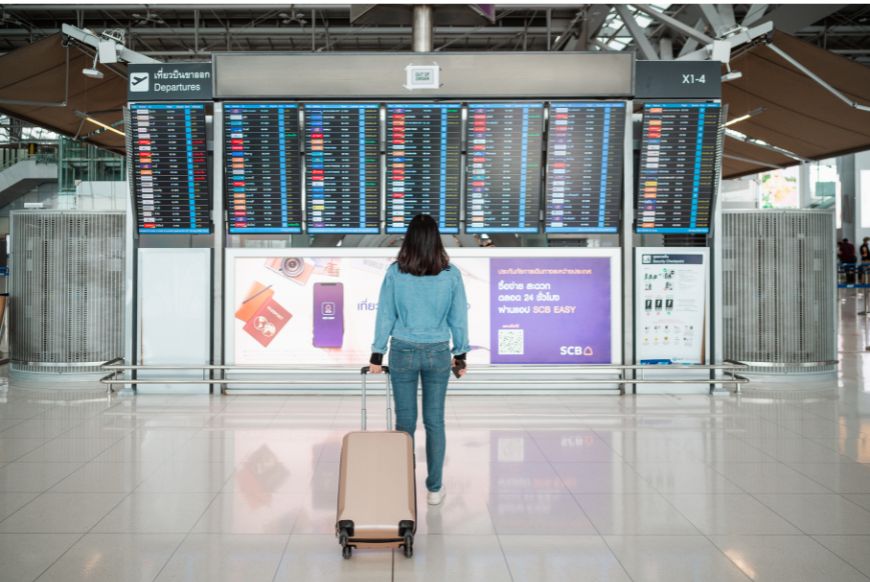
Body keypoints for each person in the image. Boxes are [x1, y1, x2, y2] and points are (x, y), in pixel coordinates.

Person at [369, 214, 469, 506]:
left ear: (409, 239)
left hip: (402, 351)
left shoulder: (395, 272)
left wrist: (377, 354)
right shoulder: (451, 274)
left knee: (406, 422)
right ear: (436, 239)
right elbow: (458, 317)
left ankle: (403, 484)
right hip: (438, 351)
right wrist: (459, 356)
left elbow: (385, 314)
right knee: (435, 421)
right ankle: (434, 489)